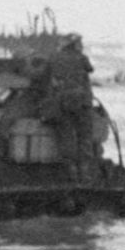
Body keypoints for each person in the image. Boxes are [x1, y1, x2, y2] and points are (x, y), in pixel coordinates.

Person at [45, 34, 97, 175]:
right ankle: (85, 170)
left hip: (64, 103)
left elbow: (46, 74)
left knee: (66, 135)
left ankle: (70, 169)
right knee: (85, 136)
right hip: (83, 103)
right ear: (74, 45)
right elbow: (90, 69)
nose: (82, 45)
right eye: (80, 43)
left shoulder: (54, 57)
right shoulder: (81, 57)